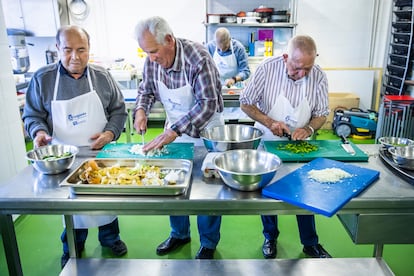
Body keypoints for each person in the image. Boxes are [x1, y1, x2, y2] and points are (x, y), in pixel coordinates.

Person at [22, 25, 128, 268]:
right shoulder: (43, 79)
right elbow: (32, 115)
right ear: (57, 49)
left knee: (105, 202)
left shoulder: (102, 77)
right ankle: (72, 245)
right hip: (64, 158)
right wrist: (38, 132)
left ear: (89, 49)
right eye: (68, 50)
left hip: (100, 154)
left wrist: (110, 133)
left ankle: (111, 238)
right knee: (72, 207)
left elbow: (119, 111)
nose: (75, 57)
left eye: (81, 50)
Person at [133, 16, 224, 259]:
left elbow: (207, 104)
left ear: (170, 40)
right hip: (174, 130)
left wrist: (174, 131)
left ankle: (208, 243)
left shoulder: (198, 58)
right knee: (172, 184)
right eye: (146, 52)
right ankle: (179, 234)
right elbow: (146, 90)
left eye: (153, 51)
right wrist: (141, 110)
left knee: (207, 190)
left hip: (206, 132)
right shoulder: (152, 60)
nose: (151, 58)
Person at [239, 35, 332, 259]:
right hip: (268, 140)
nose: (302, 74)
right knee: (269, 191)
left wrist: (308, 129)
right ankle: (270, 237)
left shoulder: (318, 76)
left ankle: (310, 242)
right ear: (285, 57)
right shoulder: (266, 69)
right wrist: (270, 122)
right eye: (297, 68)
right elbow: (246, 102)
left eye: (307, 69)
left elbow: (321, 114)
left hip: (300, 144)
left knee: (306, 192)